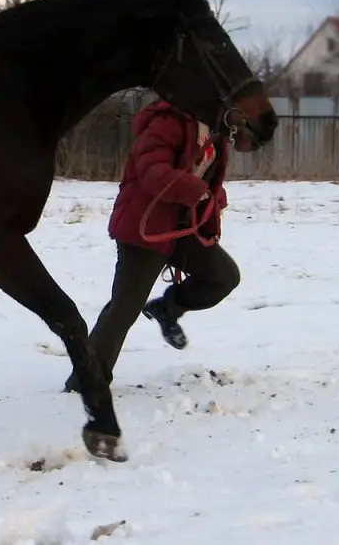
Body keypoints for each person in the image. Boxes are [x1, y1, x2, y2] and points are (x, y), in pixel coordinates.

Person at [64, 97, 241, 393]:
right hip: (144, 229)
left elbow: (205, 176)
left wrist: (213, 199)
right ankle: (85, 381)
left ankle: (166, 308)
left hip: (183, 231)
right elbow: (152, 173)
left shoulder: (215, 130)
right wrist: (193, 190)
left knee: (223, 276)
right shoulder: (166, 121)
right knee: (125, 308)